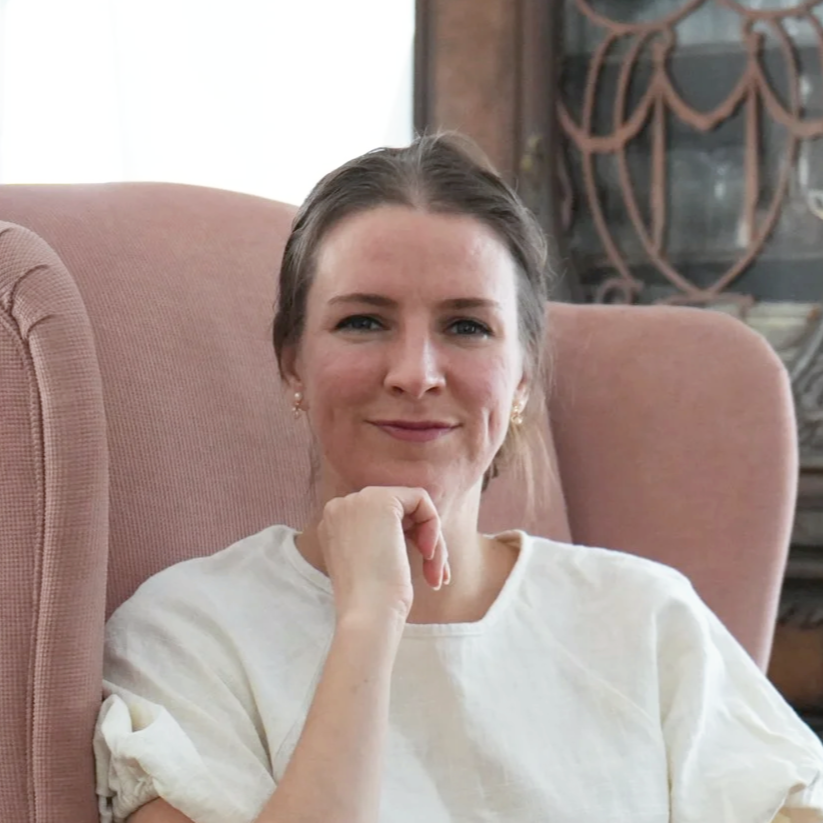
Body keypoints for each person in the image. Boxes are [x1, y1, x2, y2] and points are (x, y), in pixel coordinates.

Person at [94, 134, 823, 823]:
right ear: (292, 361)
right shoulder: (187, 631)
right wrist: (368, 620)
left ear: (521, 382)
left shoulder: (645, 617)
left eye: (467, 326)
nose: (415, 373)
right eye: (363, 322)